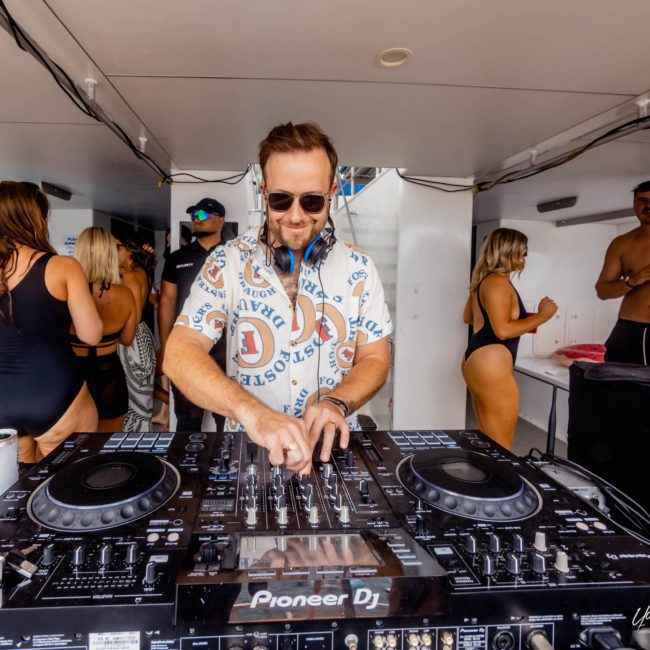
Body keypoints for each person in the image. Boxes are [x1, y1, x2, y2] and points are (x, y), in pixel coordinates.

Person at [164, 121, 392, 473]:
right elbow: (179, 354)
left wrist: (337, 403)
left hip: (332, 451)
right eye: (281, 199)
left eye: (313, 201)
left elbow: (375, 357)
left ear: (332, 192)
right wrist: (253, 414)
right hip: (250, 452)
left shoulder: (360, 268)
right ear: (263, 191)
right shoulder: (227, 261)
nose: (297, 216)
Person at [0, 181, 102, 462]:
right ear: (35, 217)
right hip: (55, 394)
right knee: (65, 490)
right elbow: (91, 335)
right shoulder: (62, 267)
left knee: (12, 496)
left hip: (3, 401)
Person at [462, 228, 557, 449]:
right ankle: (497, 484)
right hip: (490, 362)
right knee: (501, 444)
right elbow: (503, 331)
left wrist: (522, 319)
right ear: (509, 252)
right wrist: (543, 316)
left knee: (486, 437)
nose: (524, 259)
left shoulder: (483, 280)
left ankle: (482, 482)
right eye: (522, 253)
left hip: (479, 358)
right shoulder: (496, 281)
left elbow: (469, 317)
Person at [158, 198, 228, 432]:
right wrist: (168, 347)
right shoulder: (177, 258)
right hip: (187, 350)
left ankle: (225, 469)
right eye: (193, 215)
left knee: (227, 421)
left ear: (221, 220)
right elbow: (167, 301)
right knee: (187, 422)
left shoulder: (235, 256)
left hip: (227, 352)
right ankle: (187, 470)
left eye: (202, 215)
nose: (195, 220)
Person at [72, 227, 137, 432]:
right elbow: (127, 339)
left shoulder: (68, 293)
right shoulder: (125, 294)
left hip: (72, 371)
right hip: (109, 372)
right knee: (106, 444)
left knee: (71, 446)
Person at [596, 180, 650, 365]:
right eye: (643, 200)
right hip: (630, 330)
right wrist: (633, 281)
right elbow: (602, 291)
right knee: (621, 391)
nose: (648, 206)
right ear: (634, 204)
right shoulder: (622, 244)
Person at [115, 232, 157, 432]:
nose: (112, 253)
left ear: (130, 250)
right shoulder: (141, 272)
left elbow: (133, 315)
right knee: (140, 399)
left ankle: (135, 448)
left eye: (117, 248)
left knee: (134, 403)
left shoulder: (131, 276)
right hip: (140, 337)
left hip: (132, 340)